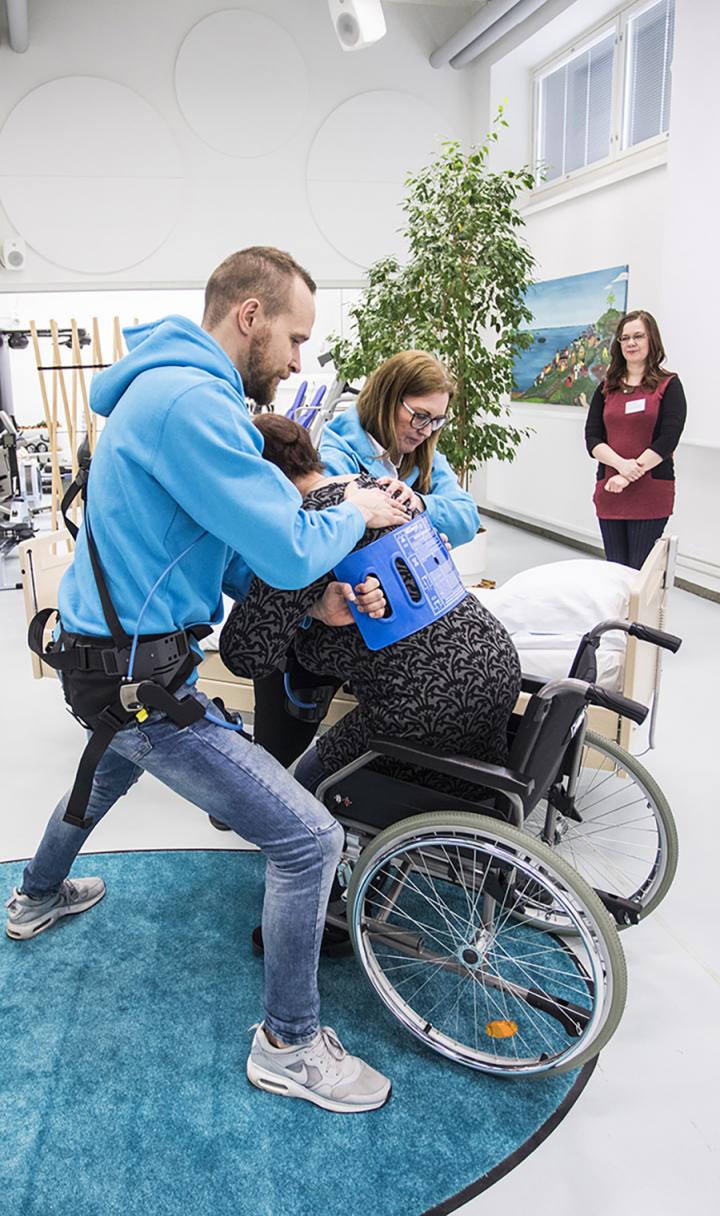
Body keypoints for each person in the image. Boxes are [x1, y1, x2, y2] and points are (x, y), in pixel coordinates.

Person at [4, 246, 414, 1114]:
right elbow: (284, 544)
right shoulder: (192, 402)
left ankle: (34, 897)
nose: (300, 361)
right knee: (307, 839)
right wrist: (357, 510)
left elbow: (221, 557)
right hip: (136, 675)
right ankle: (290, 1045)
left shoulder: (174, 392)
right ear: (251, 317)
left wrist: (315, 611)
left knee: (106, 772)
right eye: (296, 339)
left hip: (112, 664)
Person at [220, 412, 520, 806]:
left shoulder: (310, 524)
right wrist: (315, 608)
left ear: (264, 479)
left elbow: (245, 652)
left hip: (427, 701)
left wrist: (300, 611)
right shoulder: (384, 491)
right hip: (496, 664)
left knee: (305, 789)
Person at [251, 350, 482, 769]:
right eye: (419, 417)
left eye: (437, 420)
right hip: (337, 618)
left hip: (387, 619)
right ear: (387, 399)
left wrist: (420, 505)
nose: (427, 431)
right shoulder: (337, 453)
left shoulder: (423, 454)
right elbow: (328, 541)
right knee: (277, 746)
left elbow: (467, 517)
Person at [585, 310, 686, 569]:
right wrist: (621, 467)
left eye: (638, 336)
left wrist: (630, 473)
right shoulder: (607, 386)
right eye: (625, 337)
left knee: (639, 576)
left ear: (652, 339)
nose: (631, 343)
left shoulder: (669, 385)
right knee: (615, 573)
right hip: (611, 489)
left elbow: (668, 440)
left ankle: (637, 614)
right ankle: (616, 614)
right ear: (618, 344)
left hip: (650, 493)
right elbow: (592, 438)